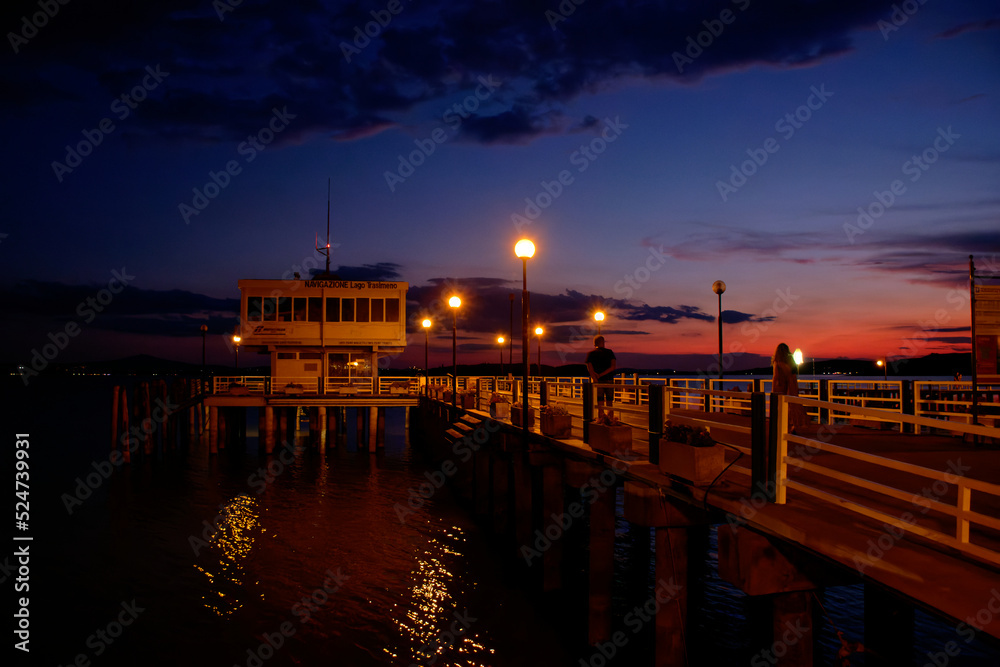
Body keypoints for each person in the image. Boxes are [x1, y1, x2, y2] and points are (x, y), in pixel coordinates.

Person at [771, 342, 807, 431]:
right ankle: (795, 424)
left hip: (781, 385)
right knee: (793, 405)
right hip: (792, 384)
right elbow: (793, 373)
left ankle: (783, 425)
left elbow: (775, 376)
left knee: (781, 406)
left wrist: (773, 389)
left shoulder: (778, 362)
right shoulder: (791, 360)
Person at [586, 335, 617, 418]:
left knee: (600, 401)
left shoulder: (591, 354)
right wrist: (602, 374)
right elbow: (613, 367)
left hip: (598, 381)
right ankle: (610, 419)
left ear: (594, 343)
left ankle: (601, 419)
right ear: (603, 342)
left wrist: (595, 378)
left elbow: (590, 368)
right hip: (609, 380)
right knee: (609, 401)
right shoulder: (610, 352)